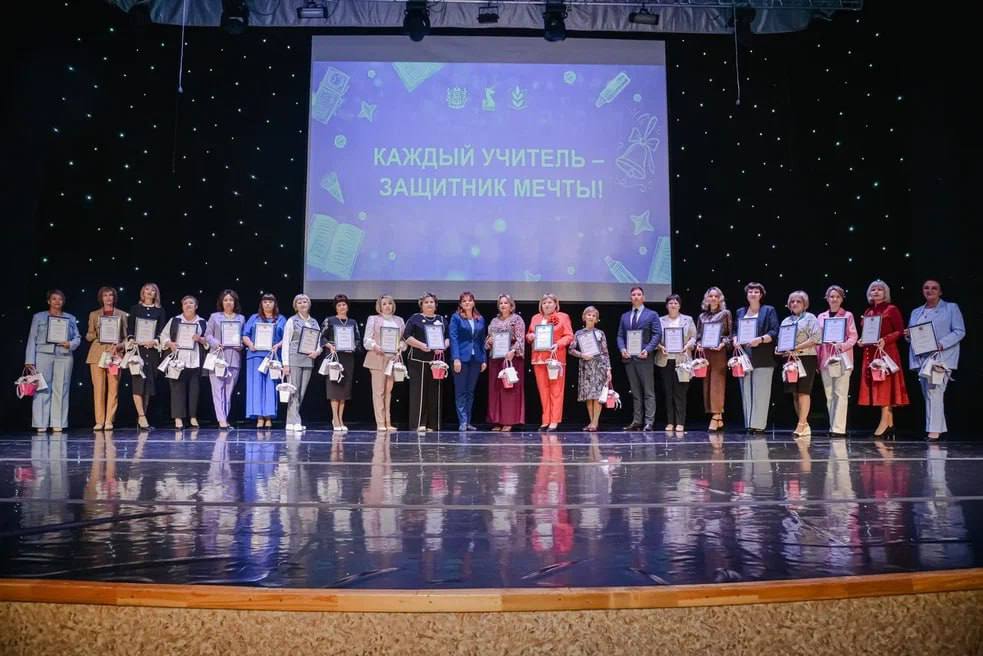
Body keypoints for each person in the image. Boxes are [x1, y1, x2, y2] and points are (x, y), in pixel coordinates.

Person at [906, 279, 965, 440]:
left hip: (941, 357)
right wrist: (909, 335)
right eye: (926, 288)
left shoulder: (950, 308)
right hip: (921, 358)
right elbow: (914, 334)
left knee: (934, 392)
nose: (930, 290)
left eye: (934, 288)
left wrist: (942, 343)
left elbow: (960, 331)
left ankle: (933, 432)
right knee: (929, 394)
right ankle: (939, 428)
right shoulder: (916, 312)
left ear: (940, 292)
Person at [24, 290, 81, 432]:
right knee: (42, 387)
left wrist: (70, 344)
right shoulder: (39, 317)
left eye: (60, 299)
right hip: (43, 354)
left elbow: (77, 337)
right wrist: (29, 359)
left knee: (61, 388)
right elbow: (32, 337)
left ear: (63, 301)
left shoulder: (70, 318)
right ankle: (40, 423)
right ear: (49, 301)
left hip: (64, 355)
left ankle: (58, 423)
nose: (57, 301)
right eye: (54, 299)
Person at [858, 279, 909, 437]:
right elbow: (867, 333)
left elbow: (900, 331)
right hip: (871, 353)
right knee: (878, 385)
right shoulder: (868, 312)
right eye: (873, 289)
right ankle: (890, 423)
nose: (876, 291)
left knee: (885, 387)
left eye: (880, 289)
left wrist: (885, 340)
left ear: (885, 292)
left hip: (886, 352)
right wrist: (861, 341)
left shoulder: (891, 309)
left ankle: (884, 423)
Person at [733, 282, 779, 434]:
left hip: (763, 356)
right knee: (746, 391)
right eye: (750, 292)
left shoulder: (768, 310)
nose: (753, 294)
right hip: (744, 357)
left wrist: (760, 339)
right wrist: (735, 339)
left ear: (761, 295)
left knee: (761, 392)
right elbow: (735, 331)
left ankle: (758, 426)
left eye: (756, 292)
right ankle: (749, 424)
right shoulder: (740, 312)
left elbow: (774, 331)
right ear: (747, 295)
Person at [775, 290, 821, 437]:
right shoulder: (786, 321)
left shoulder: (810, 318)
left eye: (798, 301)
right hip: (790, 360)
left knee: (803, 392)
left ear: (804, 304)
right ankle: (804, 425)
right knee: (794, 393)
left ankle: (801, 425)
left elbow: (816, 338)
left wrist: (796, 347)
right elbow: (782, 341)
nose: (795, 304)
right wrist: (779, 349)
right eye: (792, 301)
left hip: (806, 358)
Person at [616, 286, 662, 431]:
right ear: (630, 298)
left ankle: (649, 422)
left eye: (639, 294)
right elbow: (620, 336)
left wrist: (648, 349)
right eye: (633, 295)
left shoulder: (652, 314)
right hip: (629, 358)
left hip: (644, 357)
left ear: (643, 297)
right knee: (635, 392)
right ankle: (637, 421)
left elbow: (657, 334)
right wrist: (622, 349)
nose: (636, 296)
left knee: (648, 391)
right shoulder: (625, 316)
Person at [526, 293, 574, 431]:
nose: (547, 305)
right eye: (544, 303)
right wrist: (530, 336)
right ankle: (546, 419)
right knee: (543, 391)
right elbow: (528, 335)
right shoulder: (535, 318)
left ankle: (554, 420)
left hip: (555, 358)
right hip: (539, 359)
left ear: (555, 304)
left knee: (556, 390)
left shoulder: (563, 317)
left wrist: (558, 344)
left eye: (549, 302)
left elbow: (569, 335)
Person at [160, 295, 209, 429]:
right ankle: (178, 418)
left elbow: (208, 341)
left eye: (191, 303)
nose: (188, 305)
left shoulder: (202, 322)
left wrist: (201, 339)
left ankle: (193, 417)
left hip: (195, 360)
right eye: (185, 303)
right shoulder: (174, 320)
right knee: (177, 389)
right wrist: (170, 343)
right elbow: (163, 336)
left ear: (196, 306)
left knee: (194, 390)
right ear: (182, 306)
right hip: (178, 360)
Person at [403, 292, 449, 432]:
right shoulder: (415, 318)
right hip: (418, 359)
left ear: (436, 304)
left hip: (436, 362)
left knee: (435, 392)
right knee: (418, 392)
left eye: (431, 302)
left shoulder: (441, 319)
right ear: (421, 305)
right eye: (426, 302)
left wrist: (443, 346)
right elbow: (406, 336)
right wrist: (421, 345)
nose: (429, 304)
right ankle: (418, 424)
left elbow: (448, 338)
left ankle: (434, 425)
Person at [817, 285, 858, 437]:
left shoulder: (847, 315)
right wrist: (818, 360)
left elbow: (853, 336)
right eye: (831, 296)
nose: (834, 299)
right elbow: (817, 339)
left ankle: (839, 429)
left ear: (842, 299)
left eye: (837, 297)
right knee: (829, 395)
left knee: (840, 393)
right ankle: (832, 426)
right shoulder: (821, 317)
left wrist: (842, 345)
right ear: (827, 298)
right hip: (825, 359)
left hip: (843, 358)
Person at [85, 286, 127, 431]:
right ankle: (99, 421)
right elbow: (89, 335)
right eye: (105, 295)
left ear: (114, 298)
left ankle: (109, 420)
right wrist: (97, 332)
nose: (108, 298)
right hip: (97, 354)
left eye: (110, 295)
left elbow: (126, 338)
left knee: (113, 389)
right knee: (99, 389)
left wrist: (120, 346)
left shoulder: (122, 314)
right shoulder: (94, 314)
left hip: (114, 354)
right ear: (101, 298)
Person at [363, 294, 405, 432]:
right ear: (380, 306)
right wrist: (375, 346)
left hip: (392, 360)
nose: (387, 306)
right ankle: (380, 422)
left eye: (390, 303)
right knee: (379, 392)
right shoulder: (373, 319)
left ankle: (388, 422)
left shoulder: (399, 320)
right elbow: (366, 340)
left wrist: (400, 347)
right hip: (377, 358)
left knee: (388, 392)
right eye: (384, 304)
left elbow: (403, 341)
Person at [242, 293, 286, 428]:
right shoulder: (254, 318)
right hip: (255, 356)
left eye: (270, 302)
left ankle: (268, 416)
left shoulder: (281, 319)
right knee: (255, 386)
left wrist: (278, 345)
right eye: (265, 302)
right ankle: (259, 417)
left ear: (275, 304)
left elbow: (286, 338)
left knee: (270, 386)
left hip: (273, 356)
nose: (267, 304)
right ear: (261, 304)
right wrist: (250, 345)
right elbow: (245, 335)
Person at [655, 294, 697, 432]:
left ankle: (680, 422)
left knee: (680, 392)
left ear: (680, 305)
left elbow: (693, 337)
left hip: (682, 360)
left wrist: (687, 346)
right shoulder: (660, 320)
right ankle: (670, 422)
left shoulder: (688, 319)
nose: (673, 305)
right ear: (666, 306)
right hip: (665, 359)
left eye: (676, 303)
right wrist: (660, 347)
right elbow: (654, 338)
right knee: (668, 392)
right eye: (670, 303)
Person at [126, 283, 166, 430]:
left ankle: (142, 417)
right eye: (147, 290)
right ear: (142, 293)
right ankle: (142, 417)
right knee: (138, 383)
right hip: (138, 351)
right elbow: (130, 329)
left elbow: (162, 330)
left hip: (153, 351)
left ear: (156, 294)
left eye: (153, 290)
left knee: (148, 385)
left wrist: (154, 341)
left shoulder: (160, 311)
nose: (150, 292)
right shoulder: (135, 309)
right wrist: (132, 339)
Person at [281, 293, 321, 432]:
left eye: (305, 302)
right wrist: (285, 364)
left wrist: (317, 352)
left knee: (301, 392)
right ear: (295, 306)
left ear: (309, 304)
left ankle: (290, 421)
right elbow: (286, 342)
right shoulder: (291, 321)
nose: (302, 304)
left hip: (308, 359)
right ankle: (295, 421)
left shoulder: (314, 322)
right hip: (294, 359)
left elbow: (318, 341)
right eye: (299, 302)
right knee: (294, 391)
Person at [321, 293, 362, 432]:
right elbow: (322, 337)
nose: (342, 307)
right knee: (334, 388)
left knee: (345, 389)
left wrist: (354, 347)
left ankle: (340, 418)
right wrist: (329, 345)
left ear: (347, 307)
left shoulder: (352, 322)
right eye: (339, 305)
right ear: (336, 307)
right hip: (334, 357)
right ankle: (335, 419)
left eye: (344, 304)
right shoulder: (330, 320)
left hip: (348, 358)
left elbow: (357, 339)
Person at [205, 289, 245, 429]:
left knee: (228, 392)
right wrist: (216, 343)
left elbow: (243, 337)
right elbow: (208, 335)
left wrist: (240, 345)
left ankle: (225, 419)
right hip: (217, 357)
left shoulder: (241, 318)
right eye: (226, 300)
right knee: (217, 391)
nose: (228, 302)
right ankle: (221, 420)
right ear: (221, 302)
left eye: (231, 300)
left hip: (234, 358)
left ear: (235, 302)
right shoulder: (214, 317)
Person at [485, 294, 525, 432]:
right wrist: (489, 341)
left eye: (506, 303)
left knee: (509, 389)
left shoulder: (517, 319)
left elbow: (520, 339)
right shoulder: (494, 321)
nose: (503, 305)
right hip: (496, 359)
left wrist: (513, 351)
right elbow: (487, 340)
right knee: (496, 390)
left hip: (511, 360)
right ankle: (497, 420)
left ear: (511, 305)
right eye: (501, 303)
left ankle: (509, 421)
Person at [569, 306, 612, 431]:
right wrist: (582, 355)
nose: (591, 317)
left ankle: (595, 422)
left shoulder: (600, 333)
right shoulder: (579, 333)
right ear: (584, 317)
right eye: (589, 315)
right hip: (585, 367)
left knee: (597, 395)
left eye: (594, 316)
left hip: (599, 367)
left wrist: (608, 369)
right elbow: (571, 350)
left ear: (597, 319)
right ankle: (591, 422)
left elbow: (605, 352)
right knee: (589, 395)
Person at [449, 291, 487, 431]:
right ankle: (462, 421)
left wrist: (484, 359)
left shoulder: (480, 319)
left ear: (473, 302)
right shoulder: (456, 318)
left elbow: (482, 340)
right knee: (461, 391)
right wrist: (456, 358)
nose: (467, 303)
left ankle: (468, 421)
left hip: (476, 359)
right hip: (461, 359)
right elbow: (453, 338)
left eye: (469, 300)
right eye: (464, 301)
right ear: (460, 304)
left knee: (470, 391)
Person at [696, 287, 732, 431]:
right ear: (707, 299)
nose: (713, 298)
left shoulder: (725, 314)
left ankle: (716, 416)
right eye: (710, 296)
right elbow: (699, 336)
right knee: (707, 384)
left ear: (720, 299)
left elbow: (730, 335)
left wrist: (723, 343)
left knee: (717, 383)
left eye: (716, 296)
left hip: (718, 352)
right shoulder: (702, 316)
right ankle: (718, 418)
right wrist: (699, 344)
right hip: (705, 352)